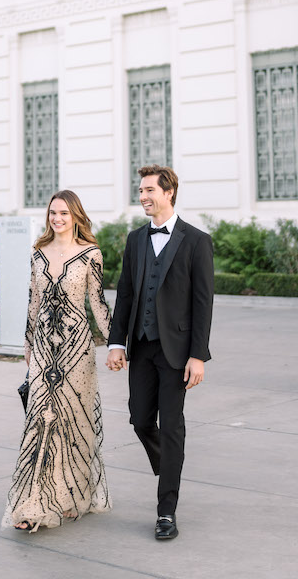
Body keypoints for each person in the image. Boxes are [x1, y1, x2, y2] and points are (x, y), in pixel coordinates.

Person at [106, 164, 214, 541]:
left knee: (172, 427)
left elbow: (203, 304)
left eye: (149, 190)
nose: (143, 196)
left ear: (169, 192)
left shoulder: (197, 241)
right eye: (140, 190)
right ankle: (170, 464)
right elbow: (126, 294)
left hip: (177, 352)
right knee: (139, 420)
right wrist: (117, 343)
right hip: (141, 347)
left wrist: (198, 355)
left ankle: (166, 511)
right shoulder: (136, 239)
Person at [2, 189, 112, 532]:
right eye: (53, 213)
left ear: (76, 216)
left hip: (77, 350)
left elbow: (98, 305)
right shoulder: (37, 253)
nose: (58, 219)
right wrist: (28, 343)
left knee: (73, 423)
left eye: (64, 213)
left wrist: (118, 344)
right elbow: (33, 302)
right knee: (39, 422)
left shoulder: (91, 254)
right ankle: (33, 505)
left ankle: (68, 499)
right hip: (44, 349)